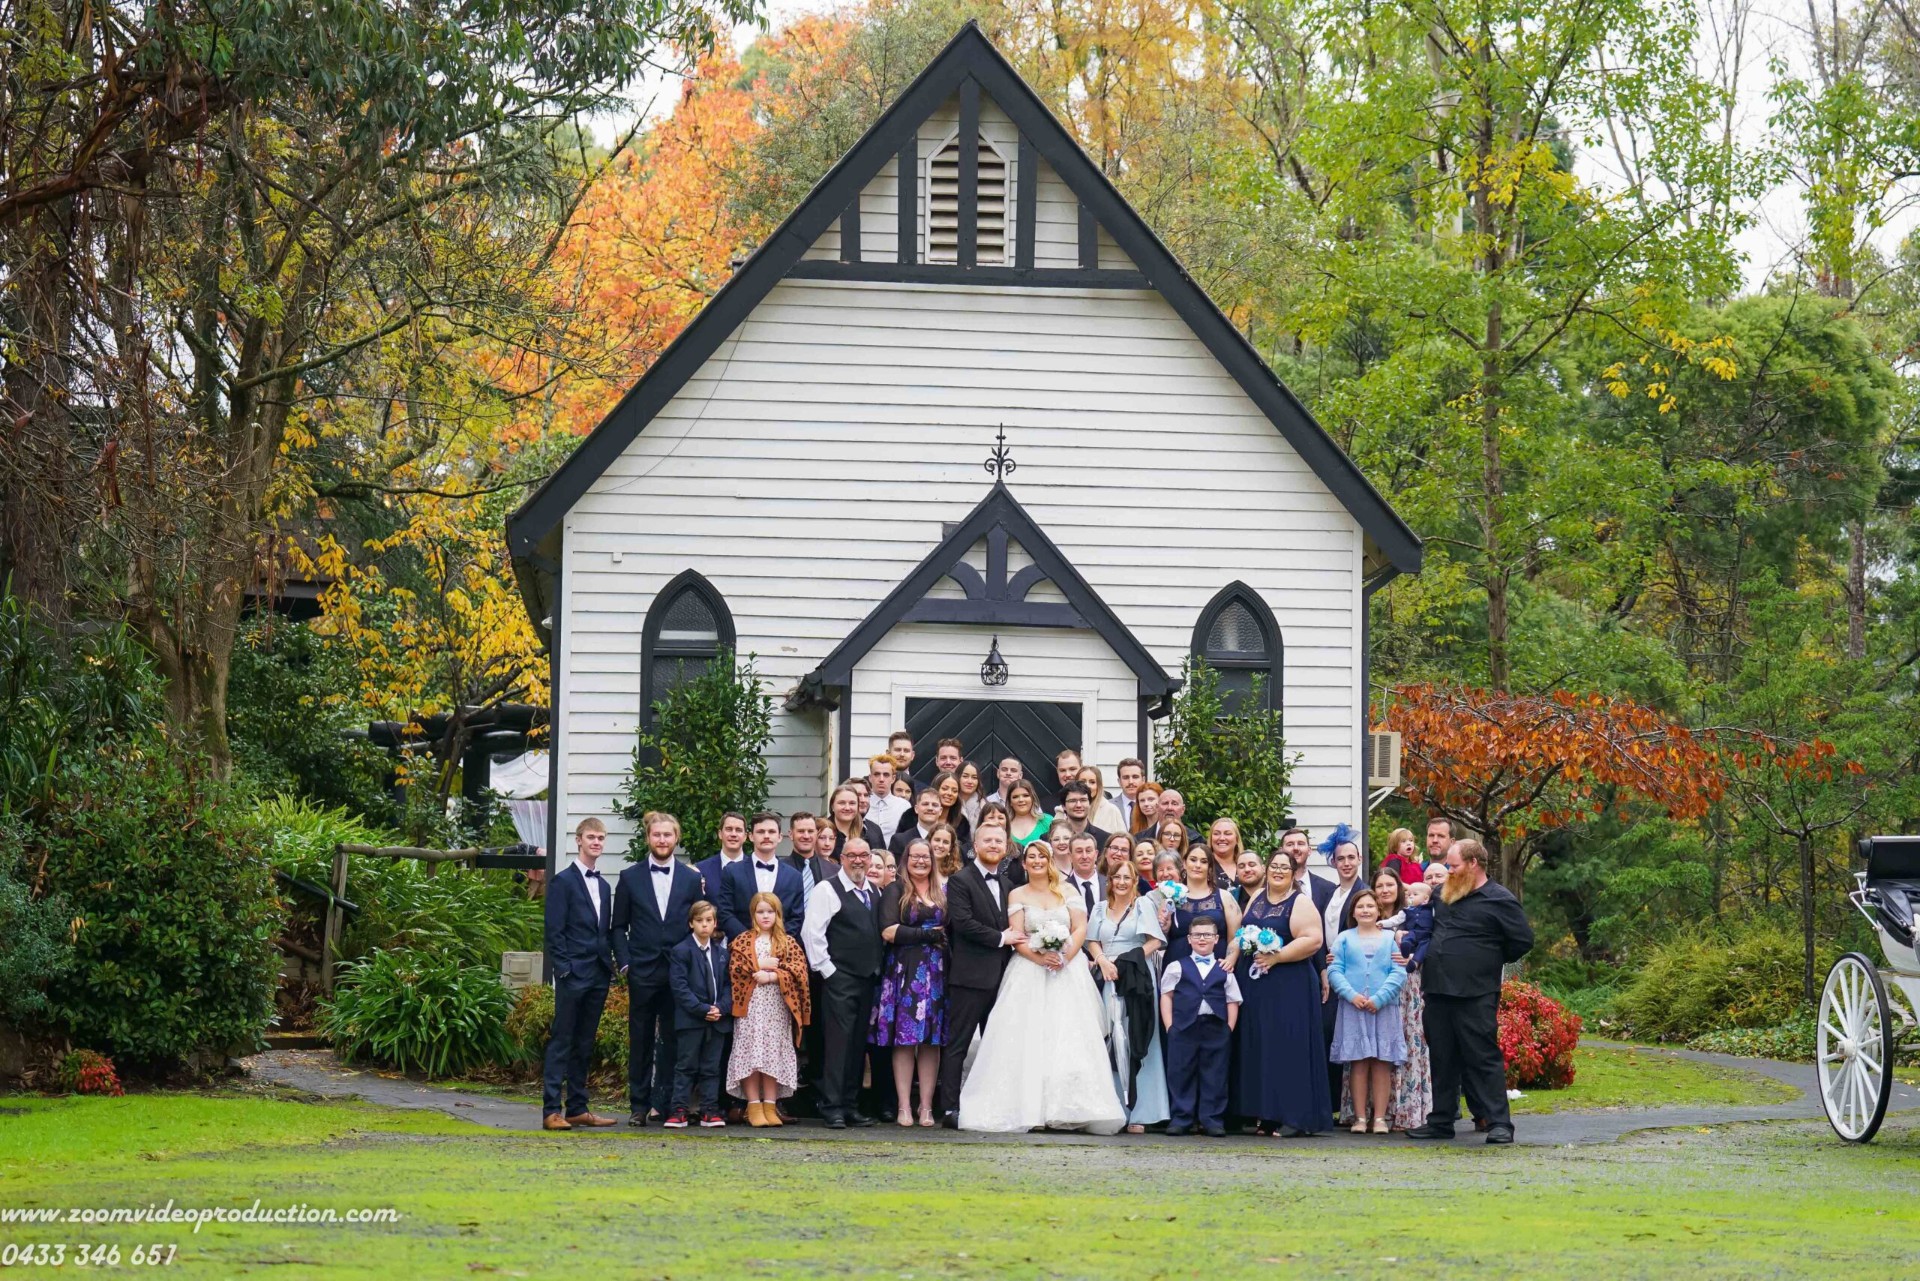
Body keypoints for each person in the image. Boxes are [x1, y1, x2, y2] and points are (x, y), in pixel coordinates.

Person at [958, 840, 1126, 1134]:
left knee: (1068, 1036)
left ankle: (1069, 1107)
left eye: (1042, 856)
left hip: (1067, 970)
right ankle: (1027, 1106)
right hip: (1029, 970)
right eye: (1031, 857)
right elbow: (1017, 935)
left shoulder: (1069, 890)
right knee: (1027, 1036)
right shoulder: (1017, 893)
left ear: (1050, 860)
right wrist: (1040, 957)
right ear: (1023, 864)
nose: (1036, 861)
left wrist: (1065, 957)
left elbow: (1080, 928)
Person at [1409, 838, 1535, 1145]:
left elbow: (1522, 940)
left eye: (1453, 866)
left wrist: (1487, 957)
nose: (1447, 871)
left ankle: (1499, 1123)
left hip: (1475, 992)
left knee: (1482, 1057)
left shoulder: (1499, 899)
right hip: (1438, 990)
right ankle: (1441, 1120)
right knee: (1441, 1056)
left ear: (1473, 864)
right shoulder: (1444, 894)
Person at [611, 812, 704, 1127]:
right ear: (648, 838)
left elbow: (698, 926)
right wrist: (625, 962)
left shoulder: (692, 879)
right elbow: (618, 926)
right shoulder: (629, 877)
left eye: (668, 835)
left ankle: (664, 1105)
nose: (662, 840)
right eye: (657, 835)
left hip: (679, 973)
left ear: (676, 838)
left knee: (673, 1040)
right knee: (640, 1039)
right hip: (642, 970)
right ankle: (638, 1105)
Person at [1232, 851, 1329, 1136]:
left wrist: (1278, 956)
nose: (1277, 871)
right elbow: (1242, 931)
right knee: (1262, 1048)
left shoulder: (1300, 902)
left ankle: (1295, 1116)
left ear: (1293, 872)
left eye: (1283, 867)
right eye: (1273, 865)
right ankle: (1266, 1115)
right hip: (1256, 985)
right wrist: (1232, 959)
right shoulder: (1257, 897)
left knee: (1287, 1047)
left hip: (1289, 986)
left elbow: (1313, 940)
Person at [936, 824, 1027, 1126]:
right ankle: (949, 1107)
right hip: (970, 976)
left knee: (997, 1044)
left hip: (1002, 978)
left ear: (1006, 847)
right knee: (958, 1044)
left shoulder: (1006, 883)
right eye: (987, 840)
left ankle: (994, 1104)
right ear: (974, 844)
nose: (993, 844)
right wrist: (1003, 938)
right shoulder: (960, 881)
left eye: (999, 840)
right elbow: (962, 923)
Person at [799, 838, 885, 1129]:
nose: (859, 860)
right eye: (852, 855)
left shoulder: (873, 890)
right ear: (842, 858)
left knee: (857, 1044)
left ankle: (850, 1105)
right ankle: (831, 1106)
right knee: (838, 1045)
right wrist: (828, 971)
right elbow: (812, 933)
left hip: (867, 980)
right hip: (840, 979)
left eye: (864, 855)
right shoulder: (827, 889)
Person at [542, 818, 619, 1130]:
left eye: (601, 837)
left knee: (584, 1043)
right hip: (573, 975)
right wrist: (564, 970)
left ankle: (577, 1107)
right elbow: (554, 931)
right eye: (591, 837)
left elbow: (604, 932)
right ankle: (550, 1111)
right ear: (578, 840)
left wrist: (610, 968)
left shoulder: (603, 885)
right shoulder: (563, 882)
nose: (596, 842)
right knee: (562, 1041)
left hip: (599, 974)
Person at [1086, 857, 1168, 1133]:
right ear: (1110, 881)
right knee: (1109, 1039)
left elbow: (1155, 941)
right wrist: (1103, 962)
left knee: (1137, 1036)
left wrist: (1129, 960)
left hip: (1136, 977)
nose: (1121, 883)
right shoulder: (1099, 908)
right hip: (1107, 976)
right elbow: (1092, 940)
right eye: (1116, 878)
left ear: (1135, 882)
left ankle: (1142, 1111)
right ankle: (1113, 1107)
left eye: (1127, 878)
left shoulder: (1142, 905)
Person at [872, 838, 947, 1128]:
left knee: (931, 1041)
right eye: (915, 856)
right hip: (904, 970)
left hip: (937, 972)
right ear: (906, 859)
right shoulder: (895, 889)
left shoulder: (942, 891)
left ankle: (925, 1107)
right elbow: (889, 931)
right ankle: (904, 1105)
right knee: (904, 1040)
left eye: (925, 856)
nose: (920, 861)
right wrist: (928, 935)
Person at [726, 892, 810, 1128]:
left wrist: (773, 975)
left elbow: (800, 971)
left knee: (772, 1054)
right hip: (751, 1008)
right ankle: (753, 1105)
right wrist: (758, 965)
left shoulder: (787, 942)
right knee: (752, 1053)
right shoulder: (743, 941)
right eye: (760, 911)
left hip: (776, 1008)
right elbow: (734, 969)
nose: (765, 916)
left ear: (778, 914)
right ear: (753, 914)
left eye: (770, 911)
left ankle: (770, 1106)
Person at [1329, 888, 1406, 1135]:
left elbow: (1398, 972)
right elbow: (1334, 970)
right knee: (1359, 1063)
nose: (1365, 910)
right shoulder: (1343, 938)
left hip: (1383, 1009)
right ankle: (1360, 1117)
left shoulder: (1389, 939)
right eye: (1360, 906)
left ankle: (1380, 1118)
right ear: (1353, 911)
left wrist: (1380, 998)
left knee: (1382, 1062)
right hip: (1353, 1009)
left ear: (1378, 911)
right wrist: (1351, 995)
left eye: (1370, 906)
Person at [1361, 867, 1431, 1131]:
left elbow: (1426, 941)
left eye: (1390, 884)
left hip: (1406, 985)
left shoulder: (1414, 914)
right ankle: (1371, 1111)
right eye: (1379, 886)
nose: (1385, 890)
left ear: (1399, 888)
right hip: (1373, 987)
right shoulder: (1365, 912)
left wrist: (1412, 957)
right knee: (1374, 1046)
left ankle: (1405, 1110)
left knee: (1405, 1042)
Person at [1160, 917, 1240, 1137]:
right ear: (1189, 939)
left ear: (1216, 939)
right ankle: (1181, 1117)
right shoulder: (1176, 966)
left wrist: (1228, 1028)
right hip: (1184, 1027)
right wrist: (1170, 1026)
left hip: (1215, 1027)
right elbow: (1167, 996)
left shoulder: (1225, 968)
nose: (1202, 938)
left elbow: (1232, 1000)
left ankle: (1211, 1119)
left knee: (1215, 1074)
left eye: (1207, 935)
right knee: (1181, 1072)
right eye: (1197, 935)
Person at [665, 900, 733, 1128]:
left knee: (711, 1067)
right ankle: (679, 1110)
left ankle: (709, 1110)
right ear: (691, 923)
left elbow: (729, 987)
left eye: (709, 920)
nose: (705, 925)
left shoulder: (722, 953)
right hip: (691, 1020)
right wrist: (703, 1009)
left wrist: (720, 1008)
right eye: (699, 921)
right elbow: (680, 988)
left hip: (717, 1020)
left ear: (715, 923)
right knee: (686, 1065)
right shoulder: (681, 951)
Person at [719, 812, 806, 941]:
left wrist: (776, 941)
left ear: (780, 837)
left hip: (781, 949)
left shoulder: (795, 877)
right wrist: (750, 941)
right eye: (760, 832)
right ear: (751, 836)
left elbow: (797, 917)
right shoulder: (732, 872)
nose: (766, 836)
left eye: (771, 832)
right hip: (741, 950)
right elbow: (725, 912)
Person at [1163, 844, 1242, 967]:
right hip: (1176, 968)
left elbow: (1236, 936)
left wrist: (1230, 960)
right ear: (1184, 863)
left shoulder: (1225, 897)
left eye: (1204, 861)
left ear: (1210, 867)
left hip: (1216, 969)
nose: (1197, 865)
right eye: (1193, 860)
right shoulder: (1170, 897)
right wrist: (1165, 928)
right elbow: (1160, 938)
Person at [694, 812, 749, 902]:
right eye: (729, 829)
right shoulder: (701, 869)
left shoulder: (755, 868)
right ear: (720, 834)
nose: (733, 834)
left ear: (745, 837)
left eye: (738, 830)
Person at [784, 811, 839, 896]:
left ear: (816, 834)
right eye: (801, 831)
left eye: (810, 831)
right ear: (791, 835)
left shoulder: (835, 871)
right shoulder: (779, 869)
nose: (806, 836)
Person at [1051, 781, 1110, 851]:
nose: (1078, 805)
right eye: (1072, 801)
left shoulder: (1105, 839)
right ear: (1063, 806)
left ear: (1090, 804)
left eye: (1083, 800)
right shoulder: (1048, 838)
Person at [889, 787, 948, 857]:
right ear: (916, 809)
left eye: (934, 805)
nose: (930, 808)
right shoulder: (899, 841)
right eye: (925, 804)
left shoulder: (947, 841)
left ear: (940, 811)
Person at [866, 756, 910, 845]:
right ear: (870, 777)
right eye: (877, 774)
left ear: (893, 778)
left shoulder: (904, 806)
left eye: (886, 775)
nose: (881, 779)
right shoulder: (862, 804)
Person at [1062, 832, 1106, 918]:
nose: (1084, 856)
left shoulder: (1111, 884)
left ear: (1096, 854)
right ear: (1070, 856)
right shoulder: (1062, 889)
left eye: (1088, 851)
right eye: (1079, 851)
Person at [1076, 765, 1127, 834]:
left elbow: (1123, 839)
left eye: (1092, 782)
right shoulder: (1065, 810)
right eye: (1082, 781)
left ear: (1099, 786)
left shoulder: (1112, 810)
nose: (1087, 786)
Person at [1006, 779, 1054, 850]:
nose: (1021, 800)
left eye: (1026, 795)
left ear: (1033, 798)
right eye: (1015, 797)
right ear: (1010, 802)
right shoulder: (1003, 825)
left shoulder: (1047, 821)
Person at [930, 769, 972, 848]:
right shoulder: (917, 817)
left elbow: (966, 850)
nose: (949, 793)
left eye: (954, 791)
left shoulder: (962, 822)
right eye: (945, 789)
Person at [1114, 757, 1147, 832]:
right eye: (1126, 777)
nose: (1131, 781)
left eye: (1135, 777)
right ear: (1119, 781)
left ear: (1143, 780)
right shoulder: (1109, 806)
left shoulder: (1152, 806)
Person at [956, 760, 986, 831]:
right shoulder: (950, 804)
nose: (970, 781)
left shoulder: (985, 807)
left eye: (974, 777)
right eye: (965, 776)